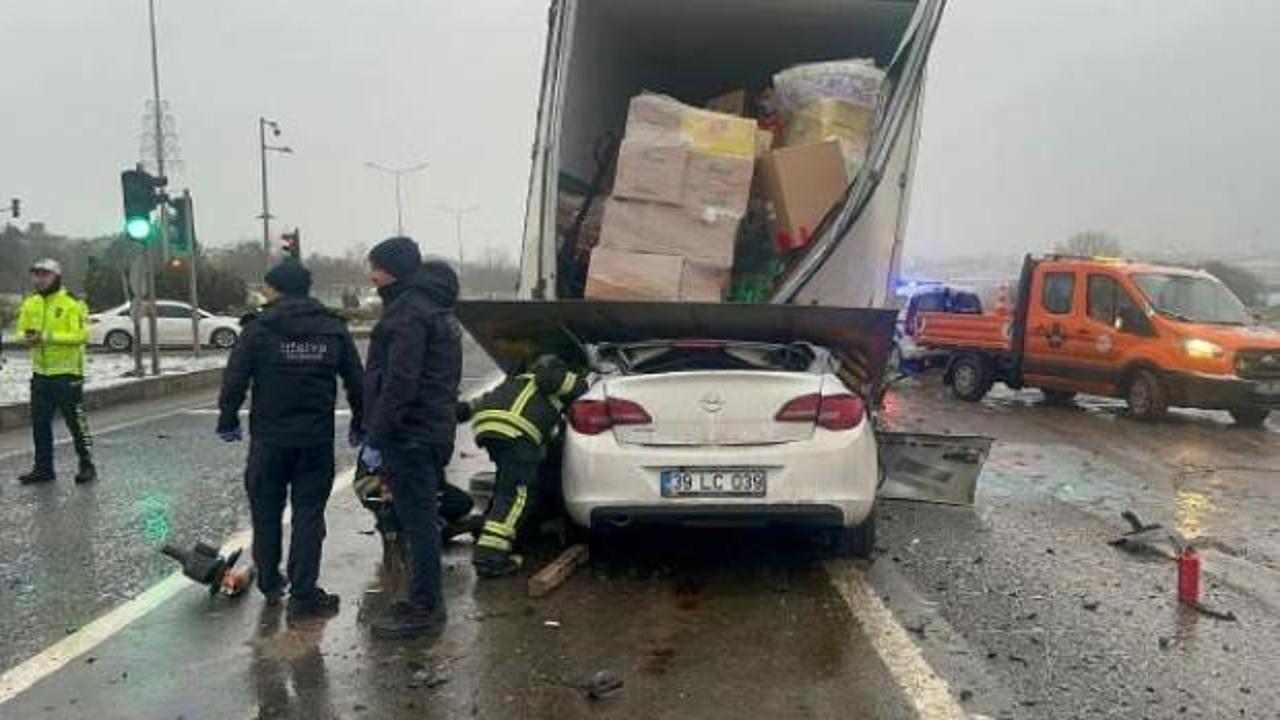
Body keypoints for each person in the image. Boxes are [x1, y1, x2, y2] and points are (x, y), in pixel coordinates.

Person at [216, 261, 365, 619]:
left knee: (265, 513)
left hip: (269, 440)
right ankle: (303, 592)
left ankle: (269, 582)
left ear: (272, 288)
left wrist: (228, 418)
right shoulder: (333, 327)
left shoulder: (258, 328)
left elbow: (235, 378)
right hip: (314, 439)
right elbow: (356, 381)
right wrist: (361, 420)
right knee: (309, 515)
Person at [360, 238, 462, 640]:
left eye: (376, 268)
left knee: (418, 522)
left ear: (393, 270)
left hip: (410, 434)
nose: (371, 276)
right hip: (429, 430)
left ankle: (426, 607)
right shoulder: (432, 308)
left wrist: (379, 432)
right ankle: (422, 596)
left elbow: (401, 380)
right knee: (416, 519)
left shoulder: (409, 313)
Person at [465, 353, 587, 577]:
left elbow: (479, 402)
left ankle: (487, 529)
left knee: (506, 487)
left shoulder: (518, 379)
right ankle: (489, 557)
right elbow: (580, 389)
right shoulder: (558, 378)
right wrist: (583, 378)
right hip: (515, 430)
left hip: (489, 427)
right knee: (519, 494)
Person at [16, 259, 95, 485]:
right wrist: (26, 338)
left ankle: (87, 464)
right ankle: (43, 468)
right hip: (41, 373)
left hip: (68, 373)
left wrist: (48, 338)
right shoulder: (30, 303)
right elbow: (20, 331)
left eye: (45, 275)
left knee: (76, 422)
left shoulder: (72, 303)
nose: (40, 279)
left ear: (56, 277)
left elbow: (81, 336)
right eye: (36, 275)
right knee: (40, 423)